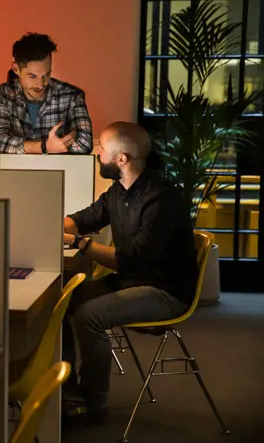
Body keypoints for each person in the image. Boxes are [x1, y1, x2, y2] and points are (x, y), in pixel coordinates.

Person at [61, 121, 198, 425]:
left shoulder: (160, 199)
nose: (98, 154)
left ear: (121, 159)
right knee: (59, 304)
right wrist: (50, 224)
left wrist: (80, 244)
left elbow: (132, 259)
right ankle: (68, 395)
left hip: (165, 291)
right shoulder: (118, 192)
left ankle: (93, 405)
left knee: (88, 317)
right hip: (131, 283)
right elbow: (83, 219)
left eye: (102, 149)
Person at [0, 33, 93, 154]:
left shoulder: (72, 95)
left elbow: (85, 144)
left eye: (46, 75)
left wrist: (25, 146)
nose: (41, 84)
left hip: (60, 172)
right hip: (15, 172)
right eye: (32, 76)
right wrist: (45, 146)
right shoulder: (6, 93)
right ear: (16, 69)